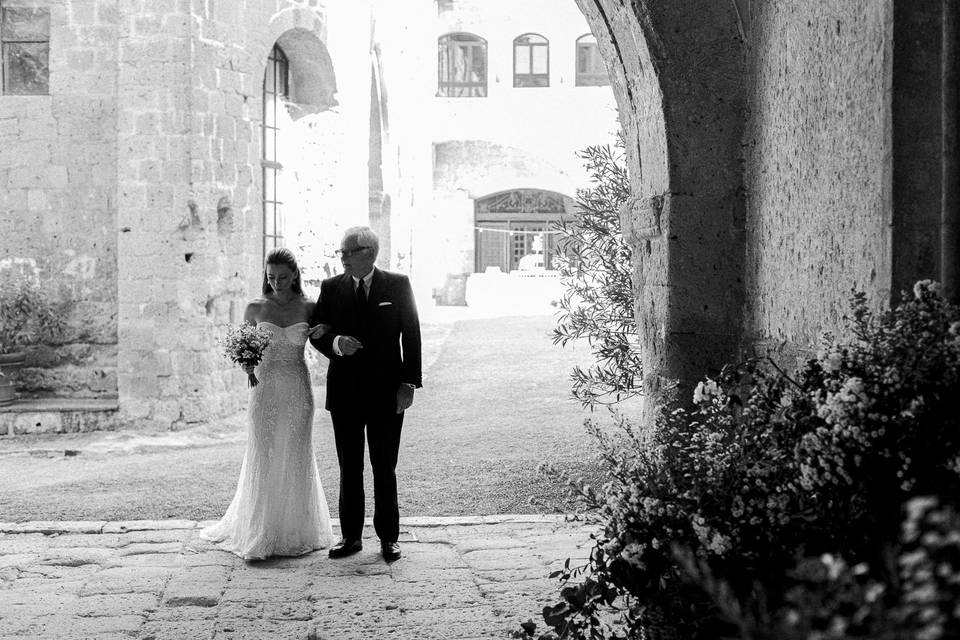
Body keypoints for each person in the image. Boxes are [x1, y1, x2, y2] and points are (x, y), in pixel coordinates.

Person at [200, 248, 335, 560]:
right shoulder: (255, 306)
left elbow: (324, 333)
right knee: (265, 452)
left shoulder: (309, 305)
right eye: (271, 277)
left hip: (299, 388)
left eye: (283, 277)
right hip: (265, 388)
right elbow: (242, 345)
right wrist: (247, 363)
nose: (277, 282)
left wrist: (325, 329)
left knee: (296, 452)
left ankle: (296, 530)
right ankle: (261, 529)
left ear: (295, 275)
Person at [310, 226, 422, 562]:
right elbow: (317, 332)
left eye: (347, 252)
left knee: (384, 466)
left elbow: (412, 335)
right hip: (345, 393)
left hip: (387, 393)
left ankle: (389, 538)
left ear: (369, 253)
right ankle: (351, 537)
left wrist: (409, 384)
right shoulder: (332, 288)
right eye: (341, 252)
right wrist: (335, 343)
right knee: (350, 466)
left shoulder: (398, 285)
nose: (341, 257)